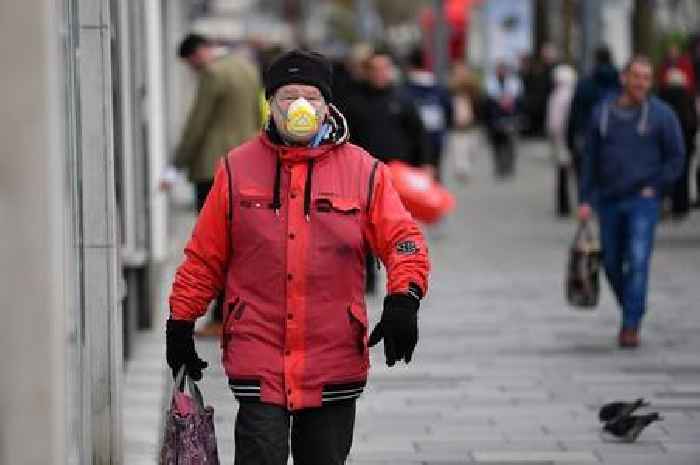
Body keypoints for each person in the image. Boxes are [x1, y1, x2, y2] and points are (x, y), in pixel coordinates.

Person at [165, 49, 430, 465]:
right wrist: (180, 322)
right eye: (289, 96)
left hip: (333, 355)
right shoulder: (236, 169)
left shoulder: (364, 171)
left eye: (311, 96)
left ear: (327, 105)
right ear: (270, 103)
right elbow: (204, 257)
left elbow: (404, 240)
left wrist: (404, 299)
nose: (300, 106)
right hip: (258, 350)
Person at [578, 56, 685, 348]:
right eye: (636, 76)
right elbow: (590, 159)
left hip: (643, 201)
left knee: (637, 260)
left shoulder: (662, 116)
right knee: (611, 262)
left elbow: (677, 156)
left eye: (647, 78)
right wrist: (585, 198)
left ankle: (631, 325)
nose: (641, 83)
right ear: (624, 78)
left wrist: (659, 187)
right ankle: (633, 304)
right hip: (609, 199)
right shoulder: (602, 113)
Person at [170, 33, 262, 337]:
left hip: (212, 168)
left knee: (214, 246)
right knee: (240, 243)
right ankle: (239, 313)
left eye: (190, 63)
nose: (193, 69)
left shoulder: (212, 73)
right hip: (246, 167)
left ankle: (222, 316)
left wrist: (177, 163)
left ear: (197, 53)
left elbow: (198, 123)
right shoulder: (247, 68)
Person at [344, 46, 433, 293]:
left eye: (385, 68)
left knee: (398, 228)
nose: (381, 73)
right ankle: (368, 276)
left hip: (399, 177)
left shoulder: (403, 99)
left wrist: (425, 165)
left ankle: (403, 274)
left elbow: (420, 135)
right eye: (376, 69)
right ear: (368, 72)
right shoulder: (355, 102)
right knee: (364, 229)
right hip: (364, 177)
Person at [566, 46, 621, 177]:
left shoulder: (585, 84)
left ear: (595, 60)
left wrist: (570, 142)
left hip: (589, 140)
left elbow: (575, 115)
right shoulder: (621, 84)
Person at [402, 46, 453, 181]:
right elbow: (448, 112)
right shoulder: (439, 88)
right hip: (436, 138)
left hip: (412, 142)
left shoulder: (405, 89)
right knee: (434, 177)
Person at [657, 68, 698, 219]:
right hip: (686, 140)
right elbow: (693, 121)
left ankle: (667, 202)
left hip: (666, 142)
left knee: (668, 171)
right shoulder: (688, 97)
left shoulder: (663, 96)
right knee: (684, 173)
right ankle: (681, 205)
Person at [546, 64, 577, 216]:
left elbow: (554, 122)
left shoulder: (557, 96)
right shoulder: (574, 94)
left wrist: (552, 136)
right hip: (571, 138)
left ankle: (563, 205)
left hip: (562, 138)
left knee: (563, 172)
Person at [485, 62, 523, 179]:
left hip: (511, 117)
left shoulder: (514, 82)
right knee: (498, 144)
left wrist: (509, 101)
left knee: (510, 143)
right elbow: (489, 99)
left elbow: (518, 98)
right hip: (496, 118)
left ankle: (509, 166)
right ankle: (500, 166)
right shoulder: (491, 82)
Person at [448, 61, 482, 183]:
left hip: (472, 123)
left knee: (472, 148)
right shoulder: (451, 87)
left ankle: (465, 167)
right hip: (457, 125)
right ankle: (462, 170)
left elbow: (479, 100)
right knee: (459, 147)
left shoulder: (472, 86)